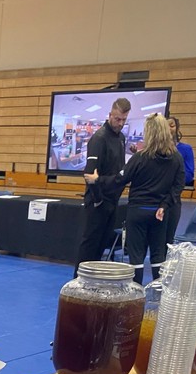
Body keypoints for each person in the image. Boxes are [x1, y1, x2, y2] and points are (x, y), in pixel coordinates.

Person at [87, 112, 184, 286]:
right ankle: (158, 293)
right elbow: (178, 187)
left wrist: (97, 180)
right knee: (158, 255)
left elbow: (119, 179)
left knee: (136, 256)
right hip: (159, 213)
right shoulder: (176, 158)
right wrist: (165, 205)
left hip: (138, 211)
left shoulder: (140, 158)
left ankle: (136, 293)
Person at [74, 98, 131, 270]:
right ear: (110, 115)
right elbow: (90, 175)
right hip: (97, 201)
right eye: (117, 119)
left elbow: (119, 169)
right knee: (90, 245)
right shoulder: (99, 138)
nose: (120, 123)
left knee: (102, 245)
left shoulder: (121, 137)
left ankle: (92, 281)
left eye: (123, 120)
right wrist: (98, 199)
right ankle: (79, 281)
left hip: (113, 200)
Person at [165, 116, 195, 246]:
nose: (169, 129)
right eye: (166, 126)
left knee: (168, 239)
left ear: (177, 128)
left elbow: (189, 174)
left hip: (173, 199)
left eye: (172, 125)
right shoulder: (156, 149)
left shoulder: (186, 149)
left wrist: (172, 176)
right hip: (154, 198)